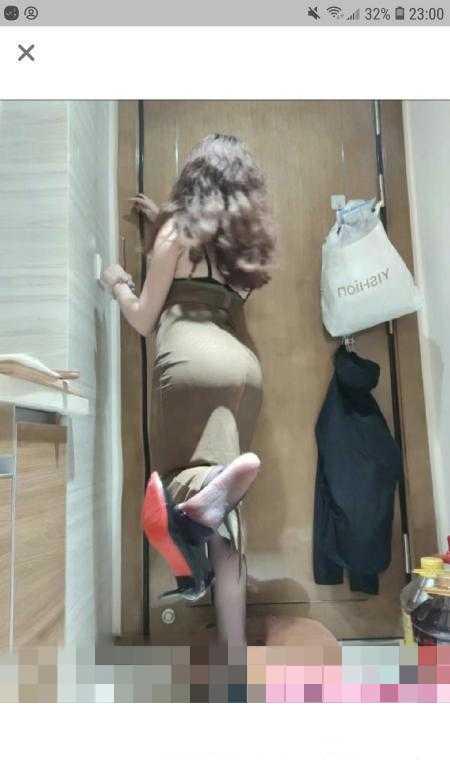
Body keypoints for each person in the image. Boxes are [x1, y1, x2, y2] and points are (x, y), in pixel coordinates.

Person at [102, 134, 277, 644]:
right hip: (243, 371)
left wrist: (117, 283)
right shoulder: (239, 245)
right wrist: (158, 221)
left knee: (182, 481)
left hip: (190, 367)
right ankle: (235, 656)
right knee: (227, 520)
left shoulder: (177, 232)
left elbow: (144, 318)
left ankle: (199, 496)